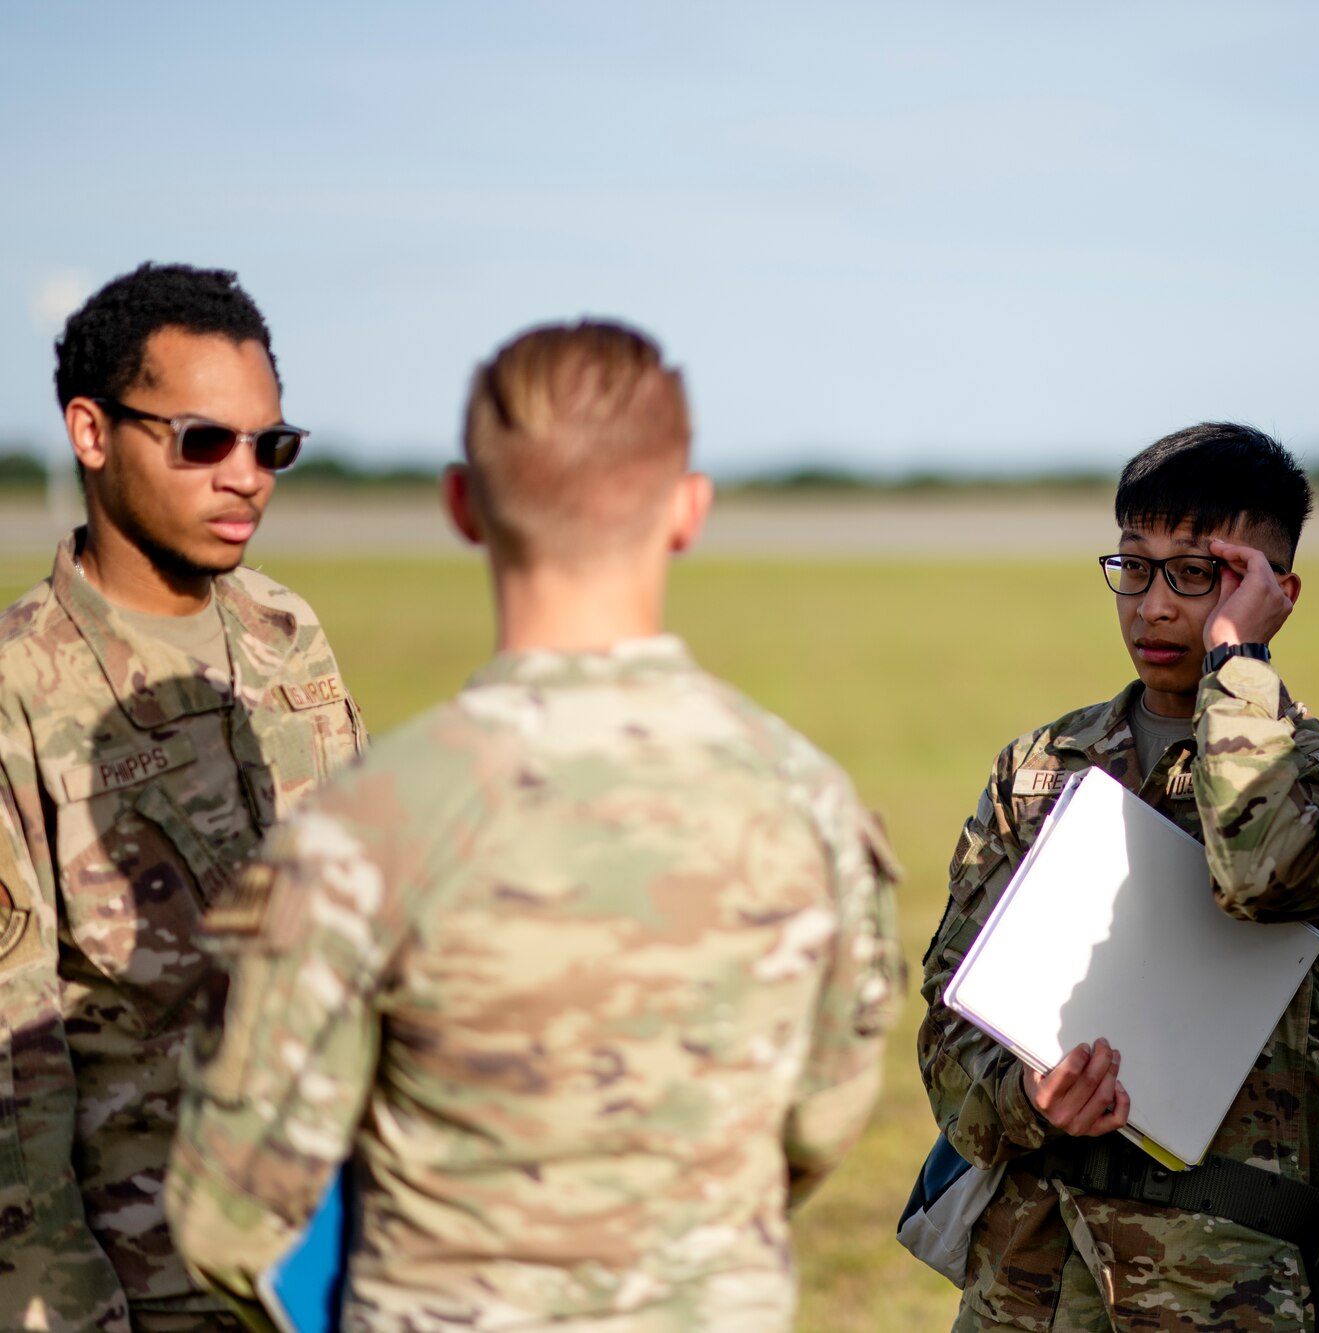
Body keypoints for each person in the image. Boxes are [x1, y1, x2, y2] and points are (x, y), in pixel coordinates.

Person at [166, 319, 903, 1331]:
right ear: (687, 511)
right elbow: (820, 1119)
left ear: (461, 505)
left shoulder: (367, 826)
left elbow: (230, 1218)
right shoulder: (806, 796)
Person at [918, 423, 1319, 1332]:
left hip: (1219, 1288)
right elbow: (949, 1020)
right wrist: (1025, 1100)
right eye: (1133, 567)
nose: (1152, 606)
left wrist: (1237, 665)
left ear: (1274, 592)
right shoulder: (1040, 768)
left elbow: (1262, 876)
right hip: (1025, 1278)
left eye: (1197, 573)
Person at [0, 262, 364, 1332]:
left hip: (331, 1256)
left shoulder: (284, 630)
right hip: (153, 1279)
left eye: (272, 446)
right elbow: (14, 1074)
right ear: (92, 432)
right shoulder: (22, 692)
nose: (245, 476)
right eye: (203, 441)